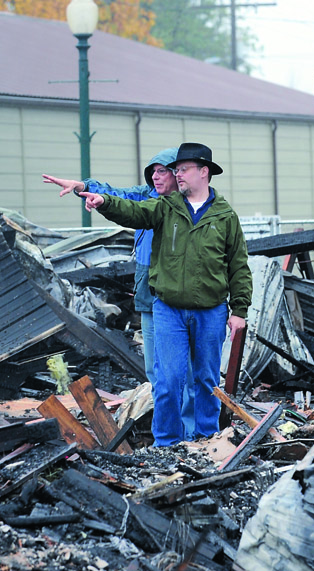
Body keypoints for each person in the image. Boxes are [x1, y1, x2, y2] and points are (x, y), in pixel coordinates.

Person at [80, 142, 252, 446]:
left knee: (206, 381)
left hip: (211, 311)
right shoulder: (166, 208)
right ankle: (167, 443)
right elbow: (133, 211)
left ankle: (206, 439)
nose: (178, 175)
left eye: (183, 169)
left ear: (204, 172)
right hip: (169, 309)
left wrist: (239, 311)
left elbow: (238, 265)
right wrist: (103, 202)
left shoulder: (225, 217)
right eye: (176, 170)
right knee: (169, 381)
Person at [41, 147, 179, 388]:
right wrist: (82, 187)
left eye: (162, 171)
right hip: (148, 285)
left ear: (178, 174)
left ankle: (189, 416)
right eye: (153, 172)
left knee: (177, 361)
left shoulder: (189, 207)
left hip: (176, 288)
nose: (155, 177)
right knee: (154, 362)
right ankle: (165, 415)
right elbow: (116, 194)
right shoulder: (145, 196)